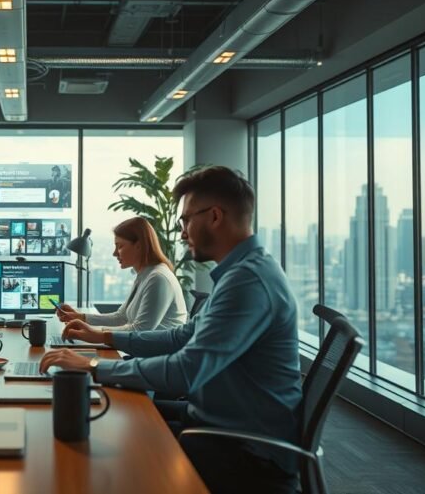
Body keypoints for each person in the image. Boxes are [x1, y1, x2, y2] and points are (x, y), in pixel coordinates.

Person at [40, 166, 302, 493]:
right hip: (216, 423)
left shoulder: (248, 281)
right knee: (118, 413)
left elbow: (186, 370)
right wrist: (104, 339)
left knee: (109, 456)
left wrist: (93, 366)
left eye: (186, 221)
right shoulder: (239, 274)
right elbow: (181, 337)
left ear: (215, 217)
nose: (181, 233)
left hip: (245, 452)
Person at [55, 217, 186, 331]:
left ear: (139, 245)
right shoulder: (145, 275)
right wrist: (80, 317)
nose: (115, 253)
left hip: (157, 358)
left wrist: (93, 334)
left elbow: (140, 330)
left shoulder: (158, 278)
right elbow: (121, 317)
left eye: (120, 246)